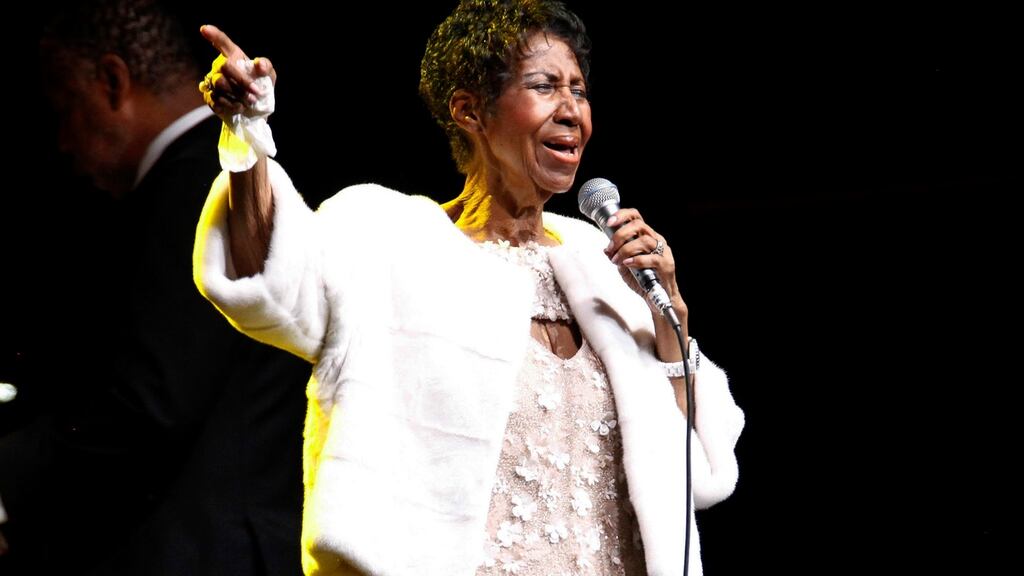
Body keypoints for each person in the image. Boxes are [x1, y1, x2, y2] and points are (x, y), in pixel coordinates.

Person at [194, 0, 744, 574]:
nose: (571, 111)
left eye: (579, 92)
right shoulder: (393, 240)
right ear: (470, 110)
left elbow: (701, 468)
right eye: (544, 86)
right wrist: (246, 133)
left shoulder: (602, 265)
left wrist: (668, 316)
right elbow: (272, 282)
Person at [0, 1, 310, 574]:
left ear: (114, 82)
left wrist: (9, 481)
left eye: (65, 109)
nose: (63, 142)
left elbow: (151, 402)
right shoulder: (189, 181)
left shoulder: (200, 184)